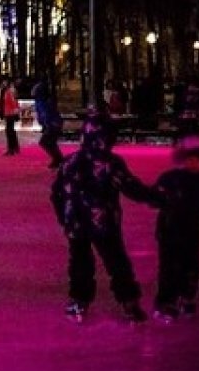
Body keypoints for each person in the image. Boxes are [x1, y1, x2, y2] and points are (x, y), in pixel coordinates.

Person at [50, 110, 156, 323]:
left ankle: (80, 300)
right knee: (115, 261)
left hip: (78, 223)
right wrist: (157, 198)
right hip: (102, 222)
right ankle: (127, 302)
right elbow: (130, 186)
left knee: (82, 262)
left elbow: (56, 194)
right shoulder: (109, 163)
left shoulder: (70, 161)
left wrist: (64, 216)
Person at [150, 137, 199, 321]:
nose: (193, 163)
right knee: (168, 267)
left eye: (197, 160)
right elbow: (153, 198)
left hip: (192, 233)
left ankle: (186, 297)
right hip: (169, 232)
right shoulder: (170, 178)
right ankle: (165, 302)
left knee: (191, 266)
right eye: (189, 159)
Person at [32, 80, 64, 168]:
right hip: (52, 123)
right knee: (49, 142)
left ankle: (58, 159)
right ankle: (58, 159)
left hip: (52, 124)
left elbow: (45, 113)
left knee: (45, 142)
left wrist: (47, 124)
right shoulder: (41, 100)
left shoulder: (42, 101)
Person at [0, 78, 21, 155]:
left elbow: (13, 101)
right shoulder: (9, 90)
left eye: (4, 82)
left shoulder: (9, 91)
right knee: (10, 130)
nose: (3, 83)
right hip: (9, 112)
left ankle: (11, 149)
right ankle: (14, 148)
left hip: (10, 113)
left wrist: (15, 109)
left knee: (9, 131)